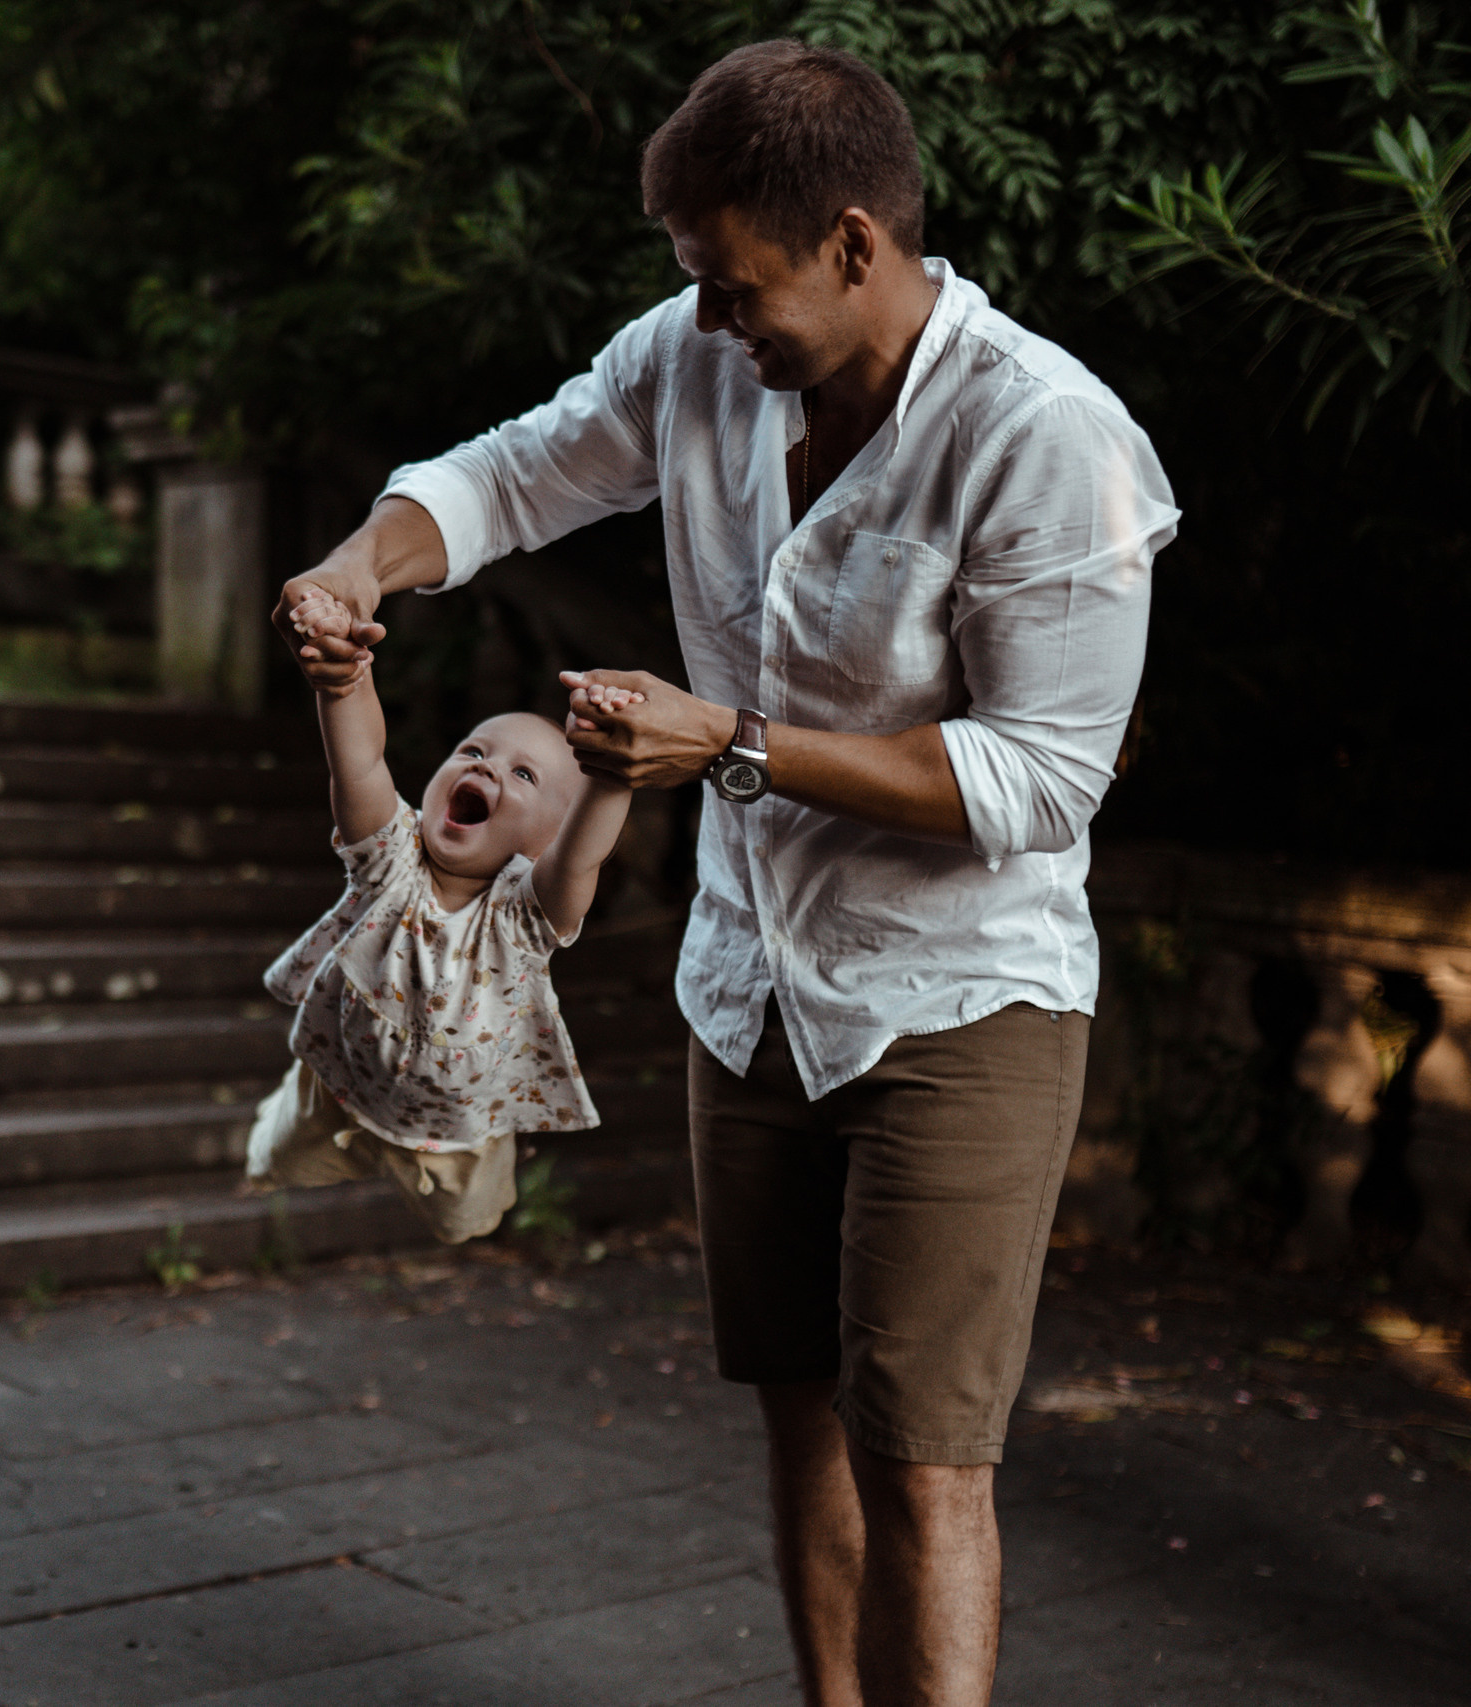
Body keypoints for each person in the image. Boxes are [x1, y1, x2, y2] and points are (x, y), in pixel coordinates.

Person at [270, 37, 1175, 1707]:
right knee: (797, 1402)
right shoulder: (702, 370)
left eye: (732, 282)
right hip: (750, 987)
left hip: (962, 997)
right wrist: (359, 557)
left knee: (926, 1453)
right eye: (688, 281)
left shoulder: (1047, 435)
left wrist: (734, 745)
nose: (704, 320)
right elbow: (511, 475)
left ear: (852, 242)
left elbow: (1046, 778)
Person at [245, 585, 639, 1244]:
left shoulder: (524, 916)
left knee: (468, 1222)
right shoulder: (390, 857)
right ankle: (279, 1145)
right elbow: (362, 760)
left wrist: (613, 771)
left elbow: (579, 861)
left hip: (458, 1128)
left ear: (547, 838)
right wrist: (343, 683)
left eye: (525, 776)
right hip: (338, 1078)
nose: (488, 769)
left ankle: (468, 1200)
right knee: (274, 1157)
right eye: (474, 751)